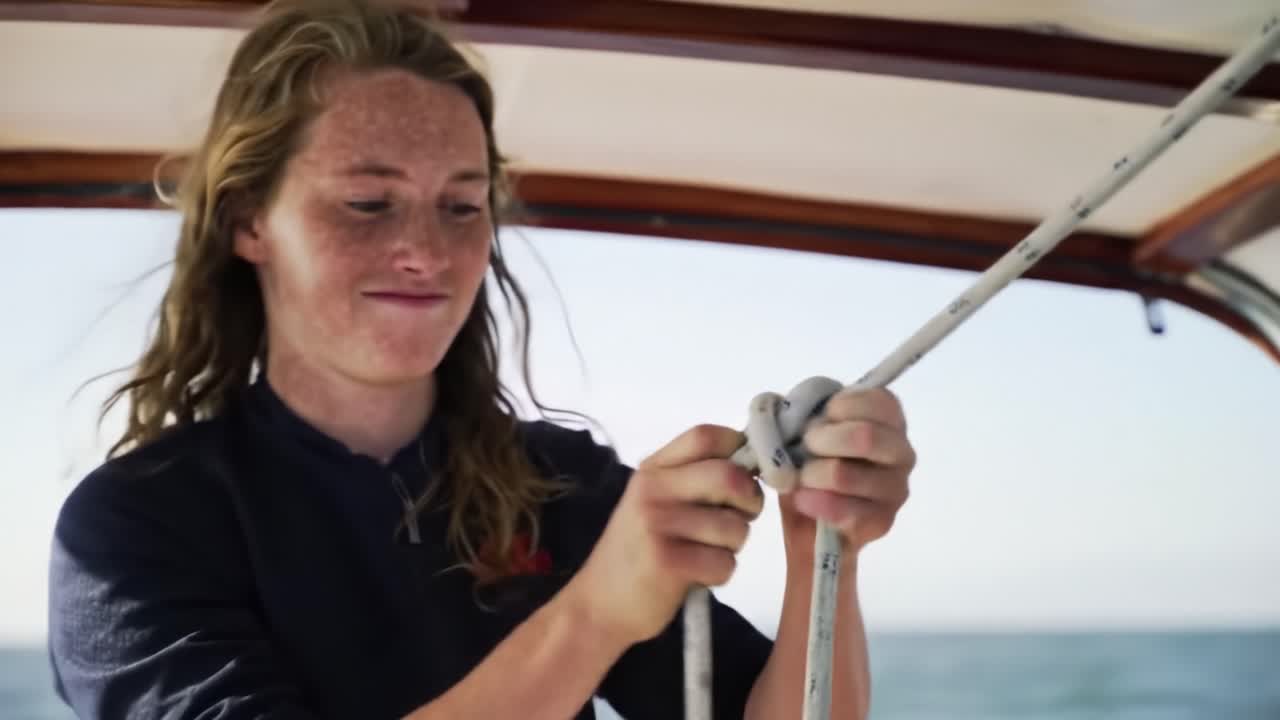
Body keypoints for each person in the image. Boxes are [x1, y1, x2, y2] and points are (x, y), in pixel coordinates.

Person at [47, 1, 915, 718]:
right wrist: (592, 616)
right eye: (366, 202)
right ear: (248, 223)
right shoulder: (134, 532)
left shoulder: (563, 491)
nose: (426, 250)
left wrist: (822, 549)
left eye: (461, 207)